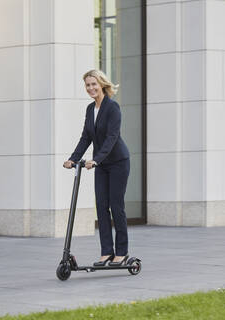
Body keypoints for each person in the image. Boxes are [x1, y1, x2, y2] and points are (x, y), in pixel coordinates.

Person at [63, 69, 130, 267]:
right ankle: (107, 252)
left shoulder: (113, 107)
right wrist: (73, 159)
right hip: (101, 164)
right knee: (101, 206)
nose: (91, 88)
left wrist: (96, 159)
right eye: (87, 85)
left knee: (116, 206)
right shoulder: (90, 109)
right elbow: (86, 137)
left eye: (94, 84)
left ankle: (122, 252)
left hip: (117, 162)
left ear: (102, 84)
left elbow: (112, 137)